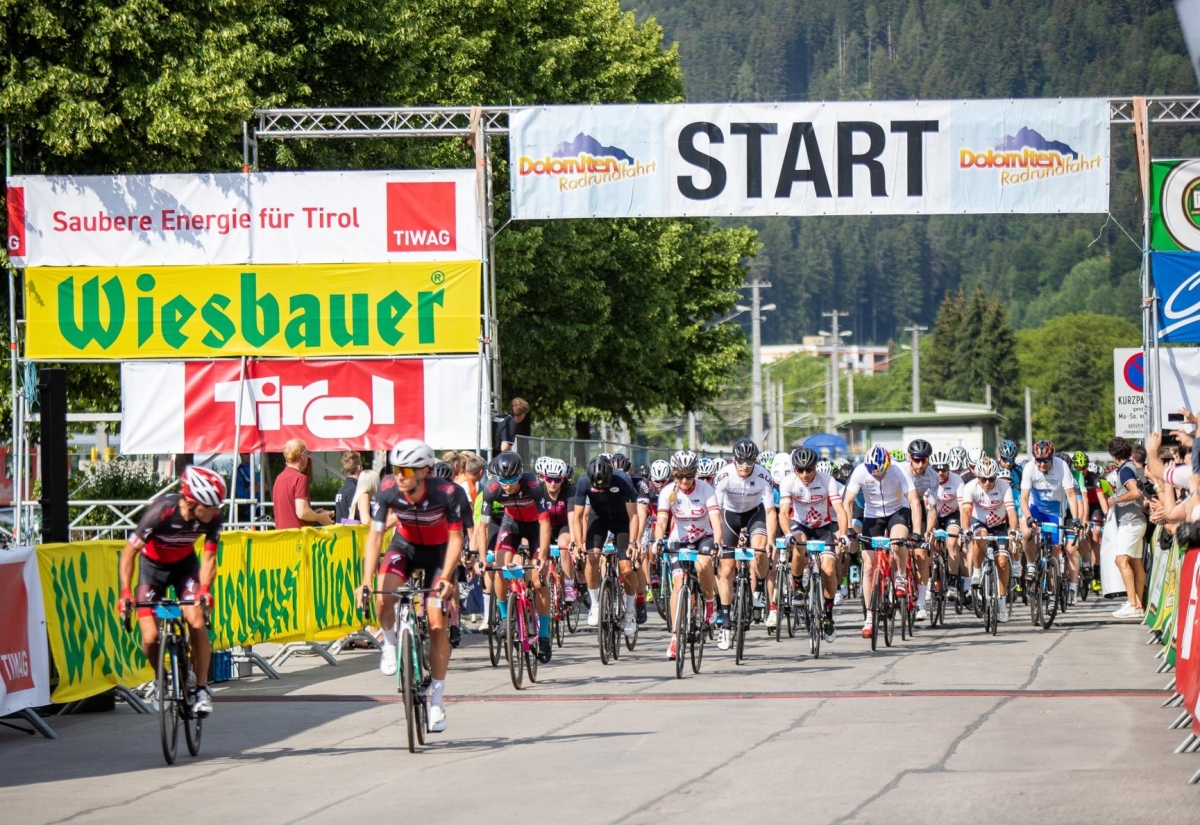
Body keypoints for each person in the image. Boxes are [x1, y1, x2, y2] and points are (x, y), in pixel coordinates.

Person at [359, 440, 463, 734]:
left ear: (425, 471)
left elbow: (457, 539)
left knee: (436, 621)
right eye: (396, 469)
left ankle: (437, 702)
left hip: (439, 552)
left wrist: (447, 577)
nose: (400, 475)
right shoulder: (389, 488)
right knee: (382, 598)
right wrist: (366, 580)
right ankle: (391, 644)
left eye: (406, 470)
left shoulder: (447, 493)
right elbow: (375, 536)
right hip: (404, 546)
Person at [118, 466, 226, 716]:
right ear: (191, 501)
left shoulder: (213, 518)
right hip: (152, 569)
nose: (216, 511)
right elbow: (129, 552)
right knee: (149, 637)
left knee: (197, 621)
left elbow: (209, 559)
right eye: (210, 507)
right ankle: (161, 679)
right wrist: (125, 591)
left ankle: (200, 689)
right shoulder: (161, 512)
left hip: (184, 568)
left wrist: (206, 590)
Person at [843, 444, 924, 639]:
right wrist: (849, 529)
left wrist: (917, 532)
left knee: (897, 542)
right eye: (874, 474)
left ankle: (901, 575)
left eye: (881, 473)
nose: (878, 476)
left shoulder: (898, 470)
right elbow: (847, 502)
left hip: (897, 511)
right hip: (872, 515)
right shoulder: (861, 471)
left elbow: (913, 501)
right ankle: (870, 616)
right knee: (869, 566)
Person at [479, 451, 554, 663]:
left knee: (539, 581)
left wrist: (543, 556)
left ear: (520, 475)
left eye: (511, 480)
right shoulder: (492, 488)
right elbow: (482, 526)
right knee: (500, 568)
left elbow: (545, 523)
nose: (507, 485)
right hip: (511, 524)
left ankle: (545, 636)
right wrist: (483, 558)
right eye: (503, 480)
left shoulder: (533, 485)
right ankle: (505, 617)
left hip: (535, 528)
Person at [711, 438, 777, 651]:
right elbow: (716, 511)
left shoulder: (763, 476)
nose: (745, 467)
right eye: (741, 462)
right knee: (727, 569)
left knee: (759, 553)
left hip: (754, 514)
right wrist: (717, 540)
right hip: (729, 516)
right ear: (735, 460)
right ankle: (727, 622)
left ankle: (758, 588)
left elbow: (769, 511)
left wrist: (772, 542)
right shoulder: (724, 476)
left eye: (749, 462)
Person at [655, 450, 721, 660]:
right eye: (679, 476)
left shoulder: (706, 489)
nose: (684, 480)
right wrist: (658, 540)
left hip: (703, 537)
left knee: (703, 565)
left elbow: (716, 520)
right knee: (677, 585)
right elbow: (662, 522)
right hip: (679, 539)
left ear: (695, 474)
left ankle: (710, 601)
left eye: (689, 476)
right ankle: (675, 638)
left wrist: (718, 542)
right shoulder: (668, 492)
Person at [777, 446, 847, 643]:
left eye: (809, 469)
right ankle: (798, 586)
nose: (805, 474)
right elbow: (783, 513)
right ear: (794, 469)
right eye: (800, 470)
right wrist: (788, 533)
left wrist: (843, 534)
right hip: (799, 525)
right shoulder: (788, 482)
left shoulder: (827, 480)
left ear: (815, 467)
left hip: (823, 528)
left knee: (829, 568)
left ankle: (828, 615)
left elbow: (840, 511)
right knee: (799, 546)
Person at [572, 455, 640, 638]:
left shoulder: (623, 481)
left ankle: (630, 612)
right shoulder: (584, 482)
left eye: (604, 485)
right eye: (597, 487)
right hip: (599, 519)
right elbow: (578, 517)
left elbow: (634, 516)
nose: (600, 489)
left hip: (622, 521)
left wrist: (633, 543)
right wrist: (578, 543)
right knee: (591, 558)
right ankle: (595, 604)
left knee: (626, 569)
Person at [958, 457, 1018, 623]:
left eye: (991, 479)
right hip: (979, 521)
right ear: (977, 477)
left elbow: (1011, 512)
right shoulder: (970, 487)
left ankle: (1002, 603)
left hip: (999, 524)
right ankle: (977, 570)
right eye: (983, 479)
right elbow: (965, 511)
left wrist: (1013, 530)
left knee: (1003, 562)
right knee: (980, 535)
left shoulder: (1004, 486)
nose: (986, 483)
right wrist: (964, 530)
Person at [1108, 437, 1148, 619]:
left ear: (1114, 455)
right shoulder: (1133, 467)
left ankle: (1132, 603)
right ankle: (1138, 604)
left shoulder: (1125, 470)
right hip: (1138, 520)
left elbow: (1135, 492)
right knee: (1136, 562)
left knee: (1121, 560)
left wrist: (1115, 499)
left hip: (1131, 521)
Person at [272, 439, 332, 529]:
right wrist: (320, 518)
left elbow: (290, 511)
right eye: (307, 453)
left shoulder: (279, 478)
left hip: (282, 537)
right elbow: (302, 512)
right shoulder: (300, 478)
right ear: (303, 455)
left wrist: (313, 513)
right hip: (298, 538)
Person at [334, 451, 363, 523]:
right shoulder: (354, 489)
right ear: (359, 467)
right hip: (352, 533)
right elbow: (355, 514)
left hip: (341, 531)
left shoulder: (342, 489)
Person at [233, 453, 258, 524]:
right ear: (241, 455)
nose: (249, 455)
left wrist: (258, 487)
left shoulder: (252, 469)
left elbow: (266, 486)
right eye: (246, 453)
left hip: (257, 505)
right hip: (246, 506)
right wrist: (258, 487)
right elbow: (251, 489)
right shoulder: (241, 471)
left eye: (250, 453)